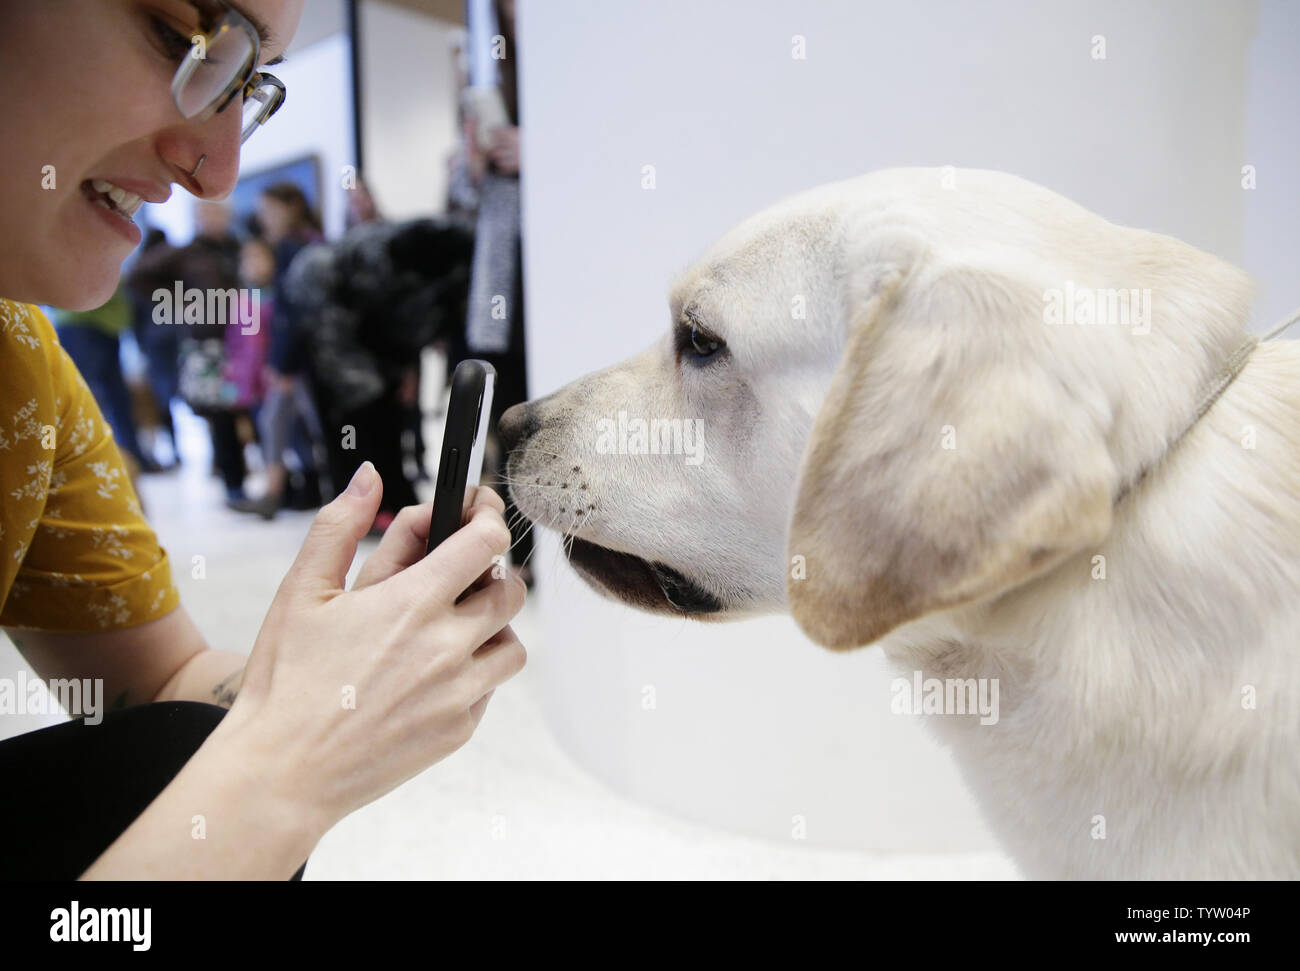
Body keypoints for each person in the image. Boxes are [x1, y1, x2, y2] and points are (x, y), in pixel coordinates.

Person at [0, 0, 527, 880]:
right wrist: (289, 770)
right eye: (189, 44)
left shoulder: (26, 371)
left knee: (179, 752)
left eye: (248, 87)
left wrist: (340, 668)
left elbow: (166, 683)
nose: (217, 169)